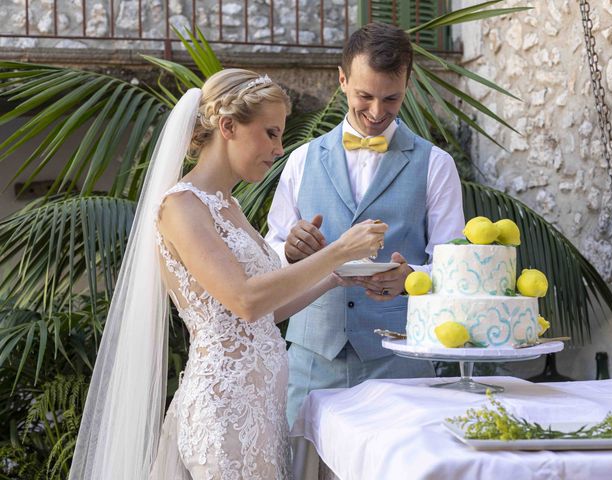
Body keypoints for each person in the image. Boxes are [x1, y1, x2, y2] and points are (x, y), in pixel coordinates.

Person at [69, 69, 387, 480]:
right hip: (225, 410)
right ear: (227, 126)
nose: (278, 149)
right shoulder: (182, 207)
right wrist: (339, 250)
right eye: (270, 133)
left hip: (261, 408)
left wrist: (335, 277)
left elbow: (264, 313)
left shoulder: (229, 206)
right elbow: (245, 298)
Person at [265, 23, 466, 425]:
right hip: (311, 363)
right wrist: (287, 251)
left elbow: (455, 267)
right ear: (342, 80)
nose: (377, 112)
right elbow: (268, 254)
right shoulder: (302, 160)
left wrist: (411, 276)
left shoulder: (436, 166)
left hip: (399, 363)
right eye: (365, 96)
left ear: (407, 83)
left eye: (390, 98)